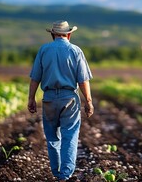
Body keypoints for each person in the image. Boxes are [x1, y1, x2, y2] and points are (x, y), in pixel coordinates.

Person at [28, 20, 94, 182]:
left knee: (52, 137)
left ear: (52, 34)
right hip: (69, 98)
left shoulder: (44, 50)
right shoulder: (75, 51)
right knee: (70, 136)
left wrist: (31, 98)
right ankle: (65, 175)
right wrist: (89, 101)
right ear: (69, 34)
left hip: (49, 98)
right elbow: (83, 80)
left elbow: (35, 78)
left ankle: (56, 173)